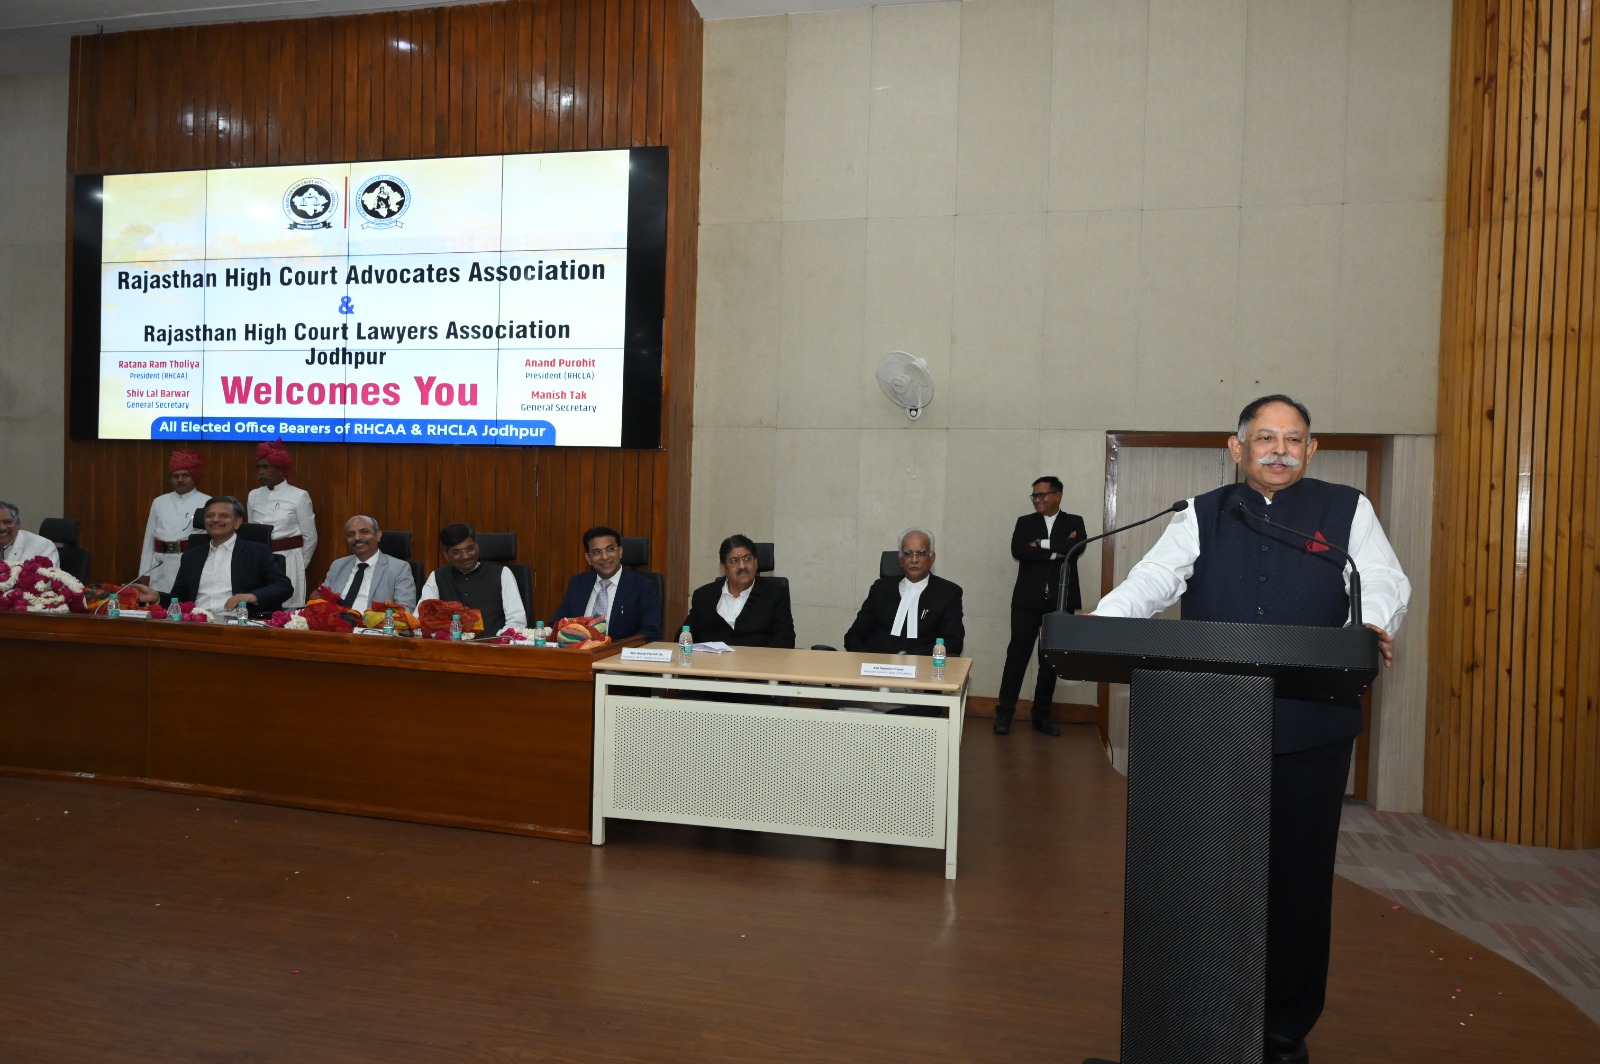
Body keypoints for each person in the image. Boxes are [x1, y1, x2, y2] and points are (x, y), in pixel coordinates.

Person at [1093, 395, 1410, 1064]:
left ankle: (1283, 1029)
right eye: (1266, 438)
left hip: (1311, 729)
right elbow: (1155, 578)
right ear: (1237, 448)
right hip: (1207, 727)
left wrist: (1370, 623)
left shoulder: (1347, 509)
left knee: (1297, 884)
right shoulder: (1202, 512)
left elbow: (1381, 578)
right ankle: (1195, 1013)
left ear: (1311, 450)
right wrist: (1105, 619)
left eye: (1294, 440)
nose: (1280, 451)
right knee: (1203, 878)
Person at [994, 476, 1087, 736]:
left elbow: (1075, 548)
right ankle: (1004, 714)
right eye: (1034, 495)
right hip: (1027, 601)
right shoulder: (1025, 522)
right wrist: (1056, 551)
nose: (1037, 500)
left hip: (1060, 601)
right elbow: (1018, 550)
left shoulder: (1074, 522)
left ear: (1058, 495)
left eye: (1042, 495)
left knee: (1049, 661)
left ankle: (1041, 716)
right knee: (1016, 657)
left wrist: (1040, 544)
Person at [133, 495, 292, 618]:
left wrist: (252, 596)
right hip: (197, 624)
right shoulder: (192, 556)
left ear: (237, 522)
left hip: (237, 624)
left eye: (223, 516)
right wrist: (156, 597)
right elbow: (180, 598)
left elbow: (283, 587)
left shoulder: (257, 552)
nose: (215, 520)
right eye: (210, 515)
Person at [843, 528, 964, 656]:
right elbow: (853, 636)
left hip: (923, 665)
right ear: (900, 559)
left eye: (921, 553)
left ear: (932, 558)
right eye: (907, 553)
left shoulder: (948, 593)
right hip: (876, 664)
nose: (914, 560)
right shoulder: (880, 589)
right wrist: (868, 660)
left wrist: (906, 657)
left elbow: (953, 643)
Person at [681, 535, 795, 648]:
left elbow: (785, 640)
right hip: (712, 659)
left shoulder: (775, 593)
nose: (742, 566)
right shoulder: (704, 596)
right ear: (723, 568)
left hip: (759, 659)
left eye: (747, 558)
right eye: (734, 561)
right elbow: (683, 637)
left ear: (756, 562)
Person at [552, 526, 663, 641]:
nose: (605, 557)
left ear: (620, 551)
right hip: (579, 650)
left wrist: (615, 647)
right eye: (596, 552)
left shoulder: (642, 586)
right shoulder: (578, 584)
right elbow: (556, 625)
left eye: (610, 549)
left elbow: (652, 631)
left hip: (619, 651)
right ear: (588, 558)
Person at [417, 523, 526, 635]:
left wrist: (498, 640)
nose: (465, 556)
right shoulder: (437, 576)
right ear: (446, 555)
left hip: (493, 643)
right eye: (456, 552)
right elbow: (421, 618)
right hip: (450, 644)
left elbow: (517, 622)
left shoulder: (502, 573)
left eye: (470, 549)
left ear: (477, 547)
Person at [247, 440, 317, 608]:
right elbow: (252, 532)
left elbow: (310, 537)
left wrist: (300, 564)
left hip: (290, 559)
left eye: (266, 467)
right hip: (261, 560)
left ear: (280, 470)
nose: (261, 472)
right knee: (260, 605)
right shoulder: (253, 495)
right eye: (258, 468)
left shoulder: (299, 495)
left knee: (287, 608)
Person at [138, 449, 209, 594]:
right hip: (160, 565)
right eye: (175, 476)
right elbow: (149, 539)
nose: (180, 480)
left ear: (194, 477)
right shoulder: (159, 502)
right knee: (158, 602)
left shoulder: (207, 502)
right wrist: (144, 571)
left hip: (189, 563)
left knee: (185, 601)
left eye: (185, 475)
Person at [320, 515, 418, 612]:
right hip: (334, 621)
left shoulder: (399, 568)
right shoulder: (338, 565)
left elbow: (405, 610)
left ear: (378, 535)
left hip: (372, 622)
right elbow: (319, 599)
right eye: (350, 534)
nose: (357, 538)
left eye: (364, 532)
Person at [0, 500, 60, 568]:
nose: (2, 528)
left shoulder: (43, 546)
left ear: (17, 523)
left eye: (8, 522)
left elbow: (49, 574)